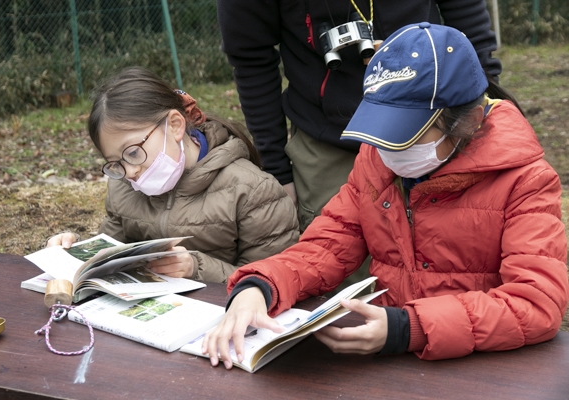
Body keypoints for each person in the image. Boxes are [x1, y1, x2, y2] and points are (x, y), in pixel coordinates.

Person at [202, 23, 569, 368]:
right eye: (382, 131)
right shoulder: (377, 161)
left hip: (483, 365)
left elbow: (536, 304)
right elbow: (330, 242)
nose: (389, 151)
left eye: (407, 135)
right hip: (392, 361)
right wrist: (261, 285)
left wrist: (407, 328)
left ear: (469, 121)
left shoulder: (526, 182)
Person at [217, 0, 502, 232]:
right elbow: (250, 56)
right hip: (329, 139)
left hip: (435, 123)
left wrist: (487, 112)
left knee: (460, 246)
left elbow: (467, 17)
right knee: (340, 265)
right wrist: (277, 169)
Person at [47, 67, 299, 283]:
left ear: (175, 126)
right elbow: (111, 251)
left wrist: (196, 268)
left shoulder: (252, 189)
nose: (131, 172)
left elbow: (276, 279)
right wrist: (75, 249)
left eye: (133, 153)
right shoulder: (124, 186)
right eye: (116, 163)